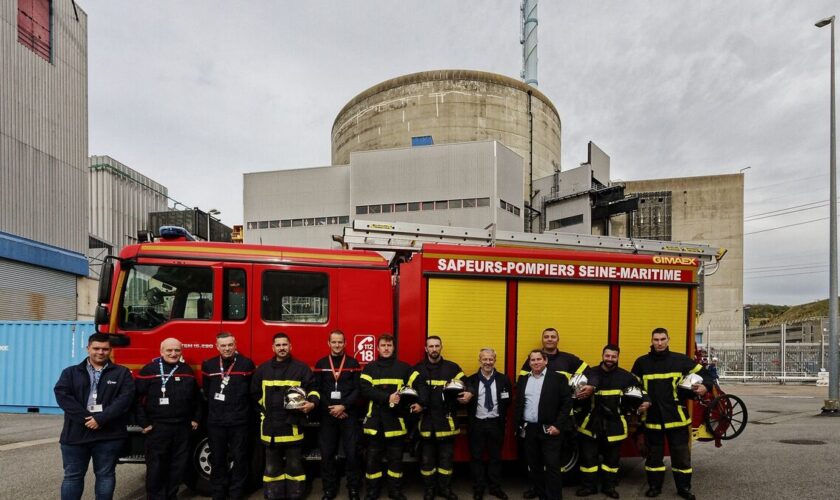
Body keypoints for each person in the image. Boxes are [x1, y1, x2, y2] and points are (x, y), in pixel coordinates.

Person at [631, 328, 712, 500]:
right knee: (653, 458)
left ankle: (684, 489)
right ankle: (654, 487)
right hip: (652, 420)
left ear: (668, 339)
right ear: (651, 340)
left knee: (681, 459)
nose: (659, 343)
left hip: (677, 419)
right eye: (656, 339)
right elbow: (633, 388)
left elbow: (706, 374)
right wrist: (638, 405)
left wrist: (706, 386)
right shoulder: (641, 363)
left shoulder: (681, 360)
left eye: (662, 339)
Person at [54, 333, 135, 500]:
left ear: (110, 350)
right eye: (96, 348)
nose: (100, 352)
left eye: (105, 349)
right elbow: (63, 396)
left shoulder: (122, 373)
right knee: (72, 476)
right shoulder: (70, 373)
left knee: (105, 475)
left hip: (109, 435)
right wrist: (87, 419)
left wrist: (101, 419)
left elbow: (125, 399)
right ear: (88, 349)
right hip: (75, 435)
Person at [520, 328, 592, 500]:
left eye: (553, 337)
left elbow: (589, 373)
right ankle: (537, 490)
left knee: (552, 464)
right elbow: (522, 394)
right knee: (533, 463)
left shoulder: (568, 359)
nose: (549, 339)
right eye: (546, 337)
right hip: (532, 426)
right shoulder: (527, 373)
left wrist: (590, 386)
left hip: (556, 422)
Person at [574, 344, 649, 499]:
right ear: (602, 355)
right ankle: (589, 487)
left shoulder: (626, 376)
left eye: (613, 357)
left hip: (614, 425)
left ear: (617, 357)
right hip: (590, 423)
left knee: (612, 461)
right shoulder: (590, 372)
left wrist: (646, 401)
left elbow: (642, 391)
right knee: (588, 459)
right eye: (607, 356)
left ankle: (609, 487)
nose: (610, 359)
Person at [251, 332, 319, 500]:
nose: (282, 348)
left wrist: (312, 403)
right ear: (273, 347)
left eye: (285, 345)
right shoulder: (263, 369)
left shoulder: (301, 368)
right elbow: (254, 394)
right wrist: (264, 411)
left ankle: (296, 495)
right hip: (270, 428)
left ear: (290, 346)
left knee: (295, 466)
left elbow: (314, 389)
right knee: (272, 468)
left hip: (293, 426)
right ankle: (273, 495)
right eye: (278, 345)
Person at [359, 334, 427, 500]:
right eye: (383, 345)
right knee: (372, 460)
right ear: (377, 348)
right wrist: (387, 398)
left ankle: (394, 491)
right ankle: (372, 491)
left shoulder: (404, 368)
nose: (386, 348)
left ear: (393, 347)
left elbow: (421, 385)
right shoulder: (370, 368)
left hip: (396, 423)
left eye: (389, 345)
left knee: (395, 461)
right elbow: (364, 389)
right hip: (375, 423)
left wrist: (422, 404)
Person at [135, 337, 201, 500]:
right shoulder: (149, 370)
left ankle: (171, 496)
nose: (173, 353)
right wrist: (144, 423)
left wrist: (196, 418)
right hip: (158, 428)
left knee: (178, 466)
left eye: (177, 350)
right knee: (156, 467)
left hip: (182, 427)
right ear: (161, 351)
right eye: (169, 350)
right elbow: (135, 399)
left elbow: (196, 399)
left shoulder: (186, 370)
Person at [413, 336, 473, 500]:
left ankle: (445, 489)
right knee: (426, 461)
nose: (434, 349)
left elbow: (467, 382)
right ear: (426, 349)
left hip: (446, 421)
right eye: (430, 346)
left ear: (441, 347)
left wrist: (469, 392)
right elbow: (410, 392)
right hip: (426, 423)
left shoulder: (452, 368)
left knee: (446, 460)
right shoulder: (418, 369)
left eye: (436, 346)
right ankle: (429, 490)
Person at [201, 332, 255, 500]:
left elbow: (252, 392)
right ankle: (218, 494)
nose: (227, 348)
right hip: (216, 422)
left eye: (230, 345)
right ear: (217, 347)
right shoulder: (209, 365)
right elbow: (207, 392)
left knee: (240, 459)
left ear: (235, 344)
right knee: (217, 460)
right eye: (223, 346)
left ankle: (236, 493)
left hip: (239, 422)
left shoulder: (246, 364)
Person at [515, 349, 574, 500]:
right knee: (534, 467)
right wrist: (519, 426)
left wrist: (558, 426)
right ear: (529, 363)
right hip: (530, 430)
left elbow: (567, 404)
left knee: (552, 467)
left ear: (545, 361)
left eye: (539, 359)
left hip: (550, 429)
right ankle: (542, 495)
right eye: (533, 360)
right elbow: (520, 404)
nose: (536, 362)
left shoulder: (558, 378)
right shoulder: (523, 380)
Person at [314, 330, 363, 500]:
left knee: (352, 454)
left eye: (340, 342)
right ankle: (329, 489)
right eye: (334, 342)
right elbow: (317, 390)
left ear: (345, 343)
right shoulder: (321, 363)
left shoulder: (353, 363)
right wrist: (332, 408)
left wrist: (343, 406)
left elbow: (358, 389)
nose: (337, 345)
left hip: (348, 414)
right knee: (327, 454)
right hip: (328, 415)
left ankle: (353, 488)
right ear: (328, 343)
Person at [465, 348, 512, 500]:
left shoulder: (503, 379)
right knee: (476, 457)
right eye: (484, 359)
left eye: (490, 359)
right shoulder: (471, 380)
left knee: (495, 457)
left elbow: (508, 401)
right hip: (477, 424)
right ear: (480, 360)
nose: (487, 362)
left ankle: (495, 487)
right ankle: (479, 488)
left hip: (495, 423)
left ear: (494, 361)